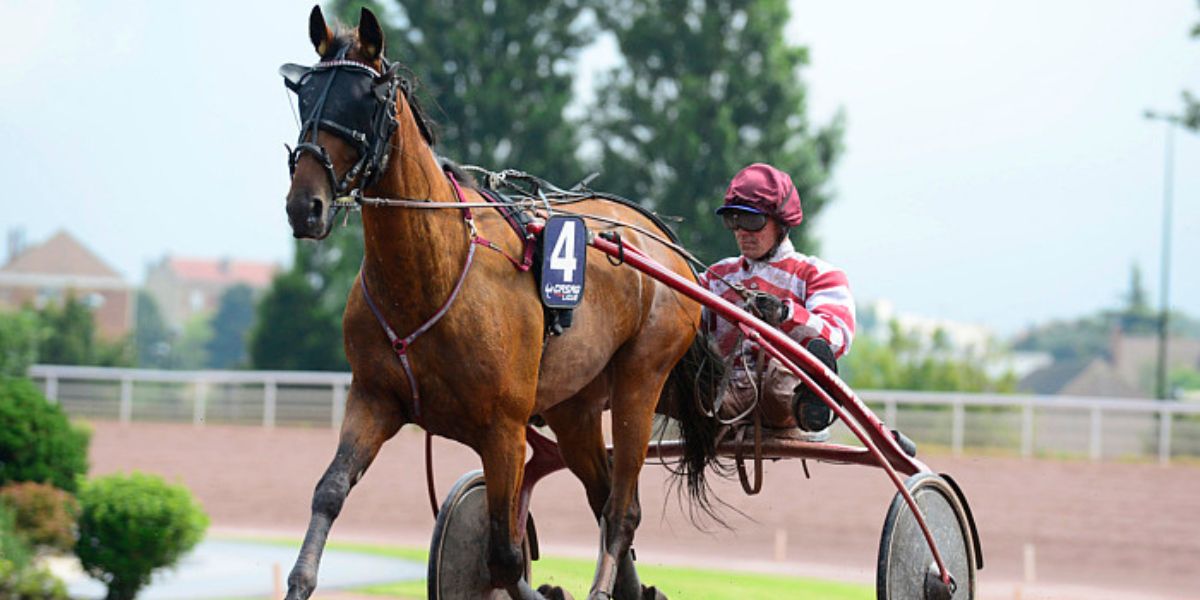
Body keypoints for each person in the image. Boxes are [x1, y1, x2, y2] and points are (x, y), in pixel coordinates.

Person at [699, 163, 856, 441]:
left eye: (751, 221)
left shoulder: (819, 274)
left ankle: (811, 405)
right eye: (733, 220)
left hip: (781, 394)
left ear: (781, 222)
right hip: (724, 399)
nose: (741, 232)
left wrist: (784, 316)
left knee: (779, 374)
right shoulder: (715, 277)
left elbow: (836, 338)